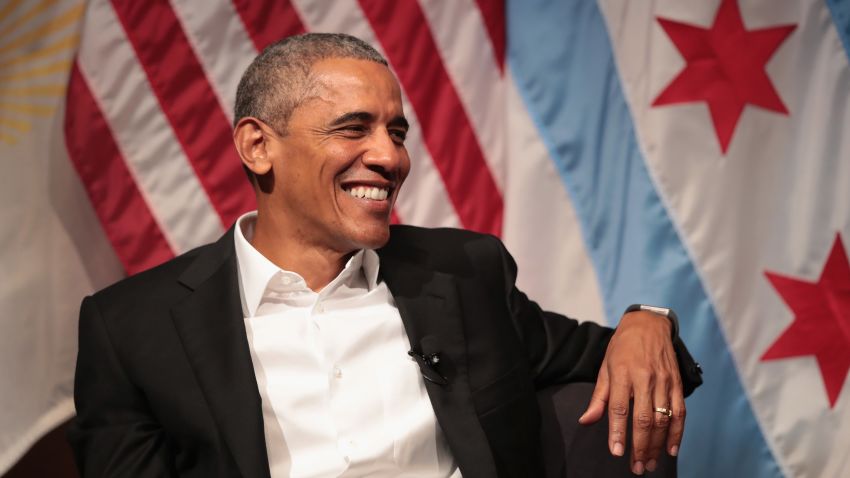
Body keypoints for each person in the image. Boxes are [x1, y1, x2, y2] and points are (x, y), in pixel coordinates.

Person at [69, 33, 702, 477]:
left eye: (396, 132)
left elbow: (622, 356)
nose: (390, 157)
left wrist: (650, 320)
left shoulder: (461, 275)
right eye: (354, 128)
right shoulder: (133, 329)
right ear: (258, 146)